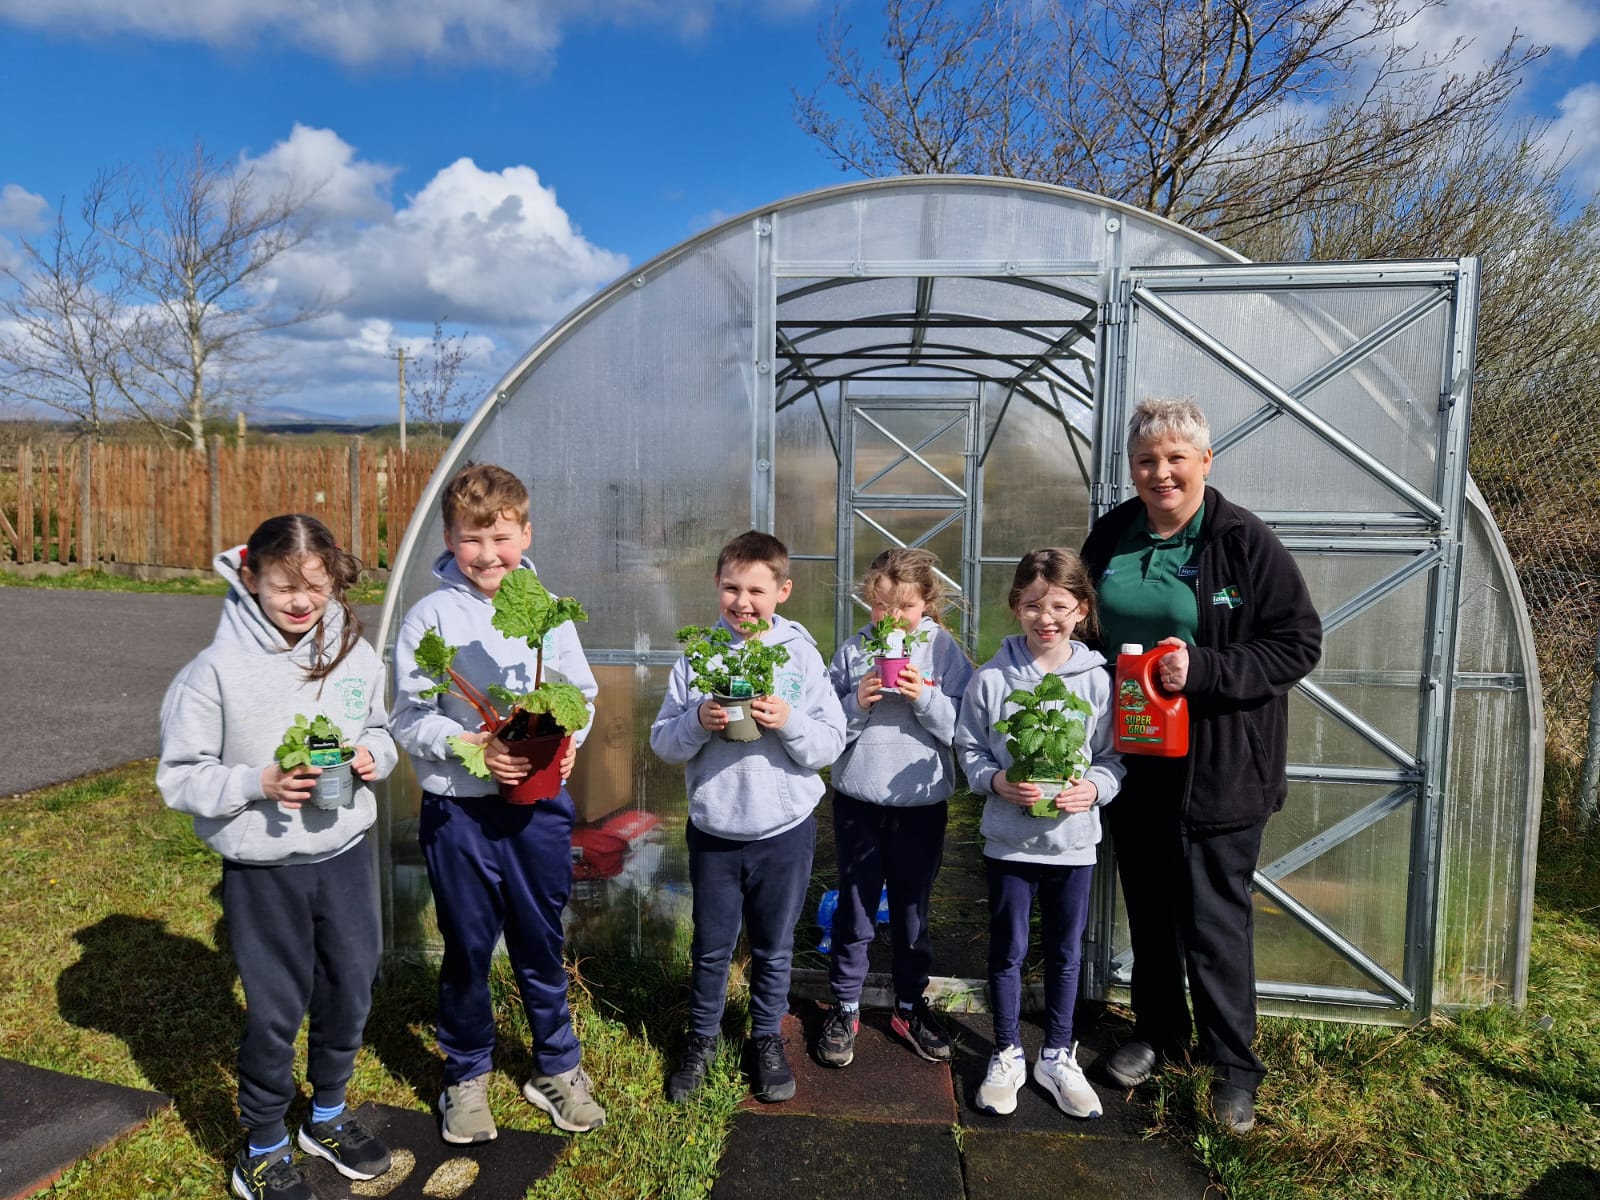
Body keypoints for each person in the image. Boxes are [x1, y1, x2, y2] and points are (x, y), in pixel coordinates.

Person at [1080, 397, 1321, 1135]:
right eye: (1147, 461)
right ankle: (1160, 1032)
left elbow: (1297, 641)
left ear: (1204, 462)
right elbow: (1083, 624)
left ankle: (1233, 1067)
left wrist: (1207, 668)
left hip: (1219, 764)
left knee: (1215, 917)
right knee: (1150, 908)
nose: (1161, 474)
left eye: (1176, 459)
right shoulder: (1113, 534)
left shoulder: (1241, 540)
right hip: (1136, 759)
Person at [158, 514, 396, 1200]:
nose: (300, 601)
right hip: (264, 871)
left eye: (315, 587)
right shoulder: (214, 673)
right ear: (251, 576)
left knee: (352, 985)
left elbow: (379, 729)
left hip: (344, 852)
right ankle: (260, 1146)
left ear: (335, 582)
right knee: (273, 1010)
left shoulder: (353, 653)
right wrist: (255, 783)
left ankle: (325, 1115)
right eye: (284, 585)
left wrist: (370, 755)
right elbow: (180, 777)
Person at [390, 463, 604, 1142]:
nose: (487, 554)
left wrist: (569, 741)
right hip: (460, 813)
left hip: (538, 809)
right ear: (449, 538)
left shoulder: (545, 604)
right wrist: (469, 744)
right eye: (471, 539)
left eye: (501, 537)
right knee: (467, 945)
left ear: (526, 532)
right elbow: (407, 717)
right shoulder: (430, 616)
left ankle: (556, 1065)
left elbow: (580, 696)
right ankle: (466, 1072)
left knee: (541, 940)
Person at [650, 530, 847, 1103]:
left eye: (757, 590)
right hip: (714, 828)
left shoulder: (800, 656)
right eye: (731, 588)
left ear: (783, 590)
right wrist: (697, 721)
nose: (743, 602)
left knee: (774, 945)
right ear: (716, 586)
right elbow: (664, 743)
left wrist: (787, 719)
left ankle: (766, 1037)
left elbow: (829, 745)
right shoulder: (697, 654)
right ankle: (702, 1039)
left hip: (783, 831)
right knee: (711, 946)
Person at [955, 548, 1125, 1119]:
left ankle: (1056, 1054)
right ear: (1015, 608)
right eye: (1032, 605)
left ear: (1081, 609)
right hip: (1008, 840)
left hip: (1074, 844)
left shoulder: (1099, 681)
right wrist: (997, 780)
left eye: (1059, 605)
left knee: (1065, 951)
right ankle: (1006, 1051)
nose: (1045, 617)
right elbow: (970, 748)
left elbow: (1113, 758)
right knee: (1007, 949)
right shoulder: (992, 679)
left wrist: (1094, 789)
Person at [815, 547, 972, 1069]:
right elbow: (828, 735)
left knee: (911, 909)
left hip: (920, 804)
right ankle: (846, 1006)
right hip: (858, 800)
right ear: (868, 601)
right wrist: (857, 703)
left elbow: (964, 732)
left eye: (905, 606)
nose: (893, 617)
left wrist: (925, 696)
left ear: (926, 603)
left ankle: (909, 1005)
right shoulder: (853, 651)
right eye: (882, 606)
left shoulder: (943, 651)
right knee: (855, 908)